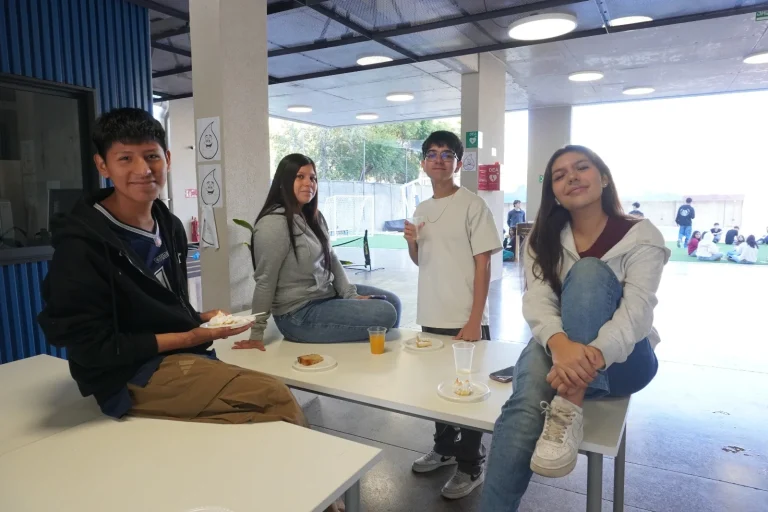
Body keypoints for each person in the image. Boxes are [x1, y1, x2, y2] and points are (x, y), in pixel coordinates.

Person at [37, 108, 306, 427]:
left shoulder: (169, 226)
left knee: (259, 409)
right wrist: (190, 336)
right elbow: (90, 347)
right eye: (125, 159)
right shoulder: (82, 245)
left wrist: (200, 318)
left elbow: (157, 307)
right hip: (126, 375)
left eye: (151, 156)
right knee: (274, 397)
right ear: (103, 165)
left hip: (180, 357)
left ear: (167, 158)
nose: (143, 169)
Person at [480, 145, 668, 511]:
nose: (572, 177)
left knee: (588, 272)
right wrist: (560, 345)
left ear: (604, 178)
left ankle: (570, 402)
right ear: (553, 192)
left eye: (581, 168)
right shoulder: (542, 239)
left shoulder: (641, 235)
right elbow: (537, 301)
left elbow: (637, 314)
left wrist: (585, 358)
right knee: (524, 408)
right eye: (560, 175)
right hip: (559, 349)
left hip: (624, 362)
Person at [404, 131, 501, 500]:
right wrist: (412, 242)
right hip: (432, 313)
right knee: (438, 386)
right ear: (423, 163)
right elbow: (421, 261)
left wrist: (475, 319)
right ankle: (444, 448)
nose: (439, 160)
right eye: (432, 154)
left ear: (458, 163)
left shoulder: (473, 205)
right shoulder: (422, 209)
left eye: (447, 154)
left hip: (464, 316)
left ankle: (470, 464)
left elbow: (483, 265)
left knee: (468, 390)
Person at [234, 153, 401, 349]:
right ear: (284, 181)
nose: (309, 183)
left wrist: (350, 295)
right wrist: (256, 334)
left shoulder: (314, 217)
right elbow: (265, 281)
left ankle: (374, 349)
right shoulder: (273, 224)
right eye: (300, 177)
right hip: (298, 314)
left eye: (312, 178)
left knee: (393, 302)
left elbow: (331, 257)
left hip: (326, 294)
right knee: (384, 313)